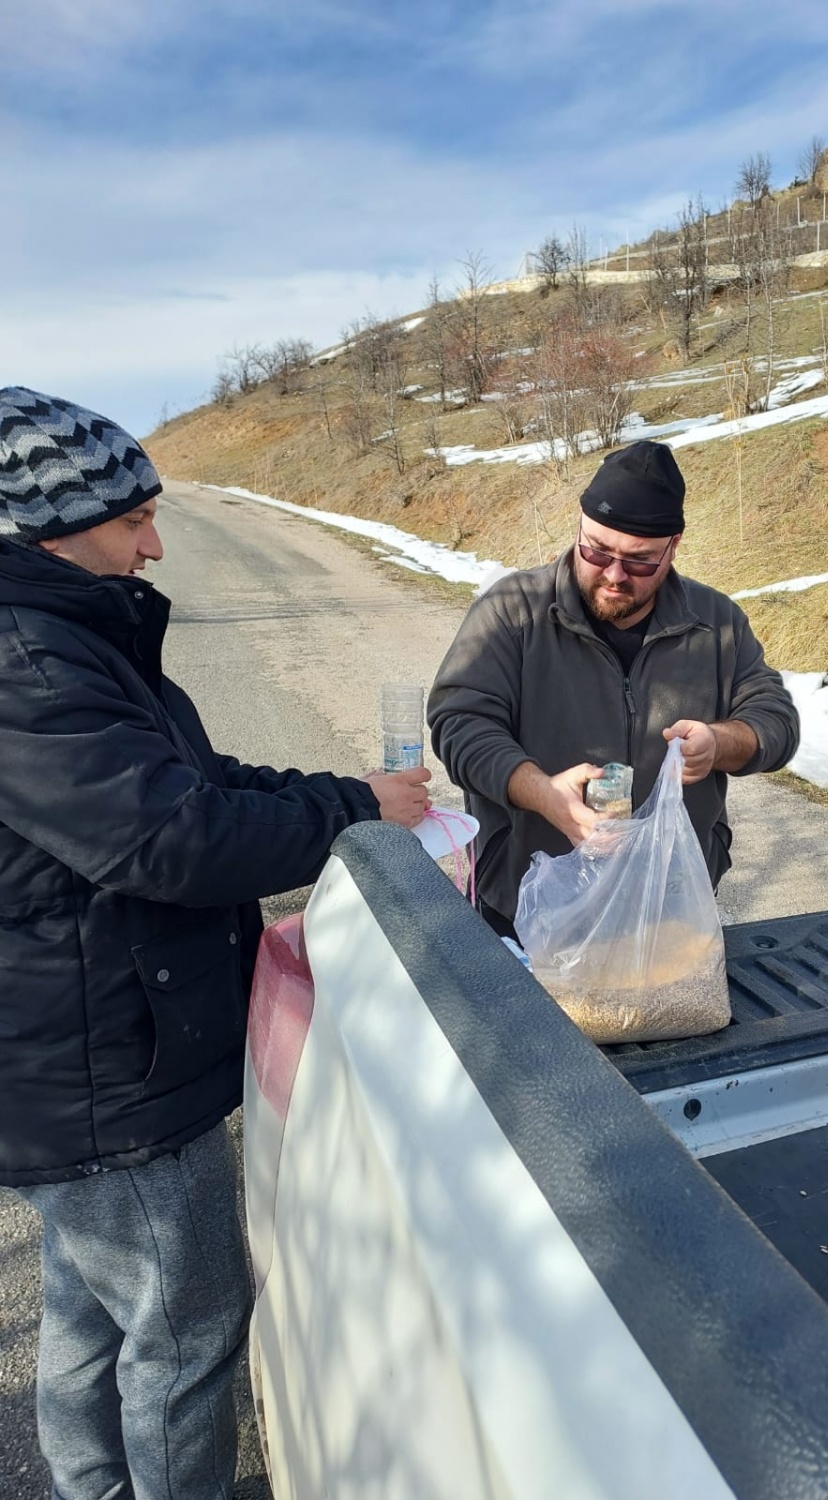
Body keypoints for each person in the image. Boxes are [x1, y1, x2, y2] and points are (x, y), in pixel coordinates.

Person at [0, 386, 431, 1500]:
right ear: (42, 529)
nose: (152, 544)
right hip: (107, 1074)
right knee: (187, 1335)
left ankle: (89, 1486)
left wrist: (352, 795)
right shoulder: (29, 662)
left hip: (79, 1059)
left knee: (91, 1311)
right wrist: (354, 817)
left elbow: (195, 779)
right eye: (130, 521)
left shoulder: (70, 636)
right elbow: (170, 837)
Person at [428, 439, 799, 938]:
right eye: (596, 550)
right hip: (527, 904)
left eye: (641, 560)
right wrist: (543, 795)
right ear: (578, 528)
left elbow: (775, 721)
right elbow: (460, 724)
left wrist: (720, 743)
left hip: (667, 914)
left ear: (674, 546)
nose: (614, 574)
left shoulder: (716, 623)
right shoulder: (513, 611)